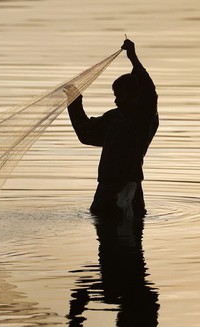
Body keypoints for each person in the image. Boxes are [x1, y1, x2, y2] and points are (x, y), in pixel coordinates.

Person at [65, 38, 158, 220]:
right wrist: (74, 101)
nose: (116, 101)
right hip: (105, 191)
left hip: (129, 192)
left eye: (119, 96)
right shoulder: (113, 118)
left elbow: (149, 93)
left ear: (134, 95)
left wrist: (133, 58)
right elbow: (86, 134)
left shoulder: (143, 119)